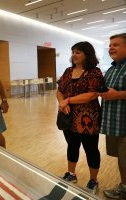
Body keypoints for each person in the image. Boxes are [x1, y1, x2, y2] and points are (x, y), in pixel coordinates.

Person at [56, 41, 103, 194]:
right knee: (72, 145)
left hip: (88, 119)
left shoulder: (94, 72)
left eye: (78, 52)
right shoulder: (68, 71)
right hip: (68, 118)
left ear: (87, 54)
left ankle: (93, 180)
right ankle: (71, 174)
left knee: (91, 150)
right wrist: (62, 102)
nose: (74, 55)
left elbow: (91, 94)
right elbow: (59, 90)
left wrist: (68, 100)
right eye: (73, 52)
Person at [99, 33, 126, 199]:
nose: (111, 48)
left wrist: (118, 95)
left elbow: (115, 94)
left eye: (116, 44)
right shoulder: (111, 68)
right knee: (122, 159)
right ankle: (124, 187)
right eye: (110, 45)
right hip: (114, 124)